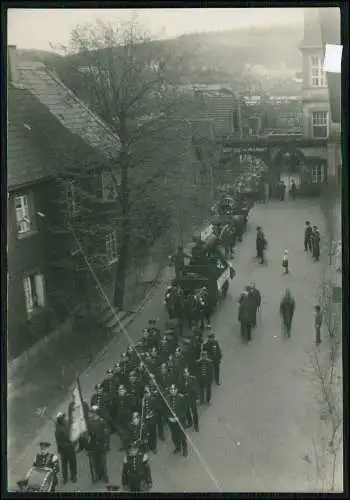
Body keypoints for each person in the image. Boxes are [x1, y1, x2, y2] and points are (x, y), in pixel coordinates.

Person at [89, 406, 111, 483]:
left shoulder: (102, 422)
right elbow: (88, 435)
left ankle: (105, 476)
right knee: (96, 462)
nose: (92, 414)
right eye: (92, 412)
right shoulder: (90, 422)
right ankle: (98, 476)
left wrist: (106, 445)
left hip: (101, 445)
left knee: (103, 462)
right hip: (94, 446)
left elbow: (107, 434)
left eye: (94, 412)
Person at [55, 412, 77, 484]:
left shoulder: (65, 425)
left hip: (68, 447)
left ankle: (72, 476)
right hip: (64, 448)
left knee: (71, 463)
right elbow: (59, 439)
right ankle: (66, 478)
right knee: (66, 464)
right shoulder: (58, 428)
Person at [166, 384, 188, 456]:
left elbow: (185, 409)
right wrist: (169, 418)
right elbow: (165, 410)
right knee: (174, 436)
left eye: (174, 390)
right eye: (171, 390)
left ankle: (185, 450)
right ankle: (178, 447)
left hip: (180, 420)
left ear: (177, 390)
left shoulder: (181, 398)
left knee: (182, 436)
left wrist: (178, 417)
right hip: (172, 421)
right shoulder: (167, 399)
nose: (172, 391)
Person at [179, 367, 199, 432]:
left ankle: (196, 425)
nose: (185, 374)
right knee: (187, 411)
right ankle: (190, 422)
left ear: (189, 372)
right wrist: (181, 394)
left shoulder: (193, 379)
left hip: (192, 398)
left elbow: (194, 389)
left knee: (194, 412)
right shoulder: (182, 381)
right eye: (184, 373)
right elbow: (181, 389)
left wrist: (187, 393)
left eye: (186, 372)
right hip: (185, 399)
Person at [142, 386, 158, 454]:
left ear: (150, 392)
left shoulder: (153, 399)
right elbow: (141, 411)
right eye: (145, 392)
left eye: (147, 392)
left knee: (153, 434)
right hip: (145, 420)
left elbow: (157, 410)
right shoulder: (143, 400)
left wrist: (152, 414)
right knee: (146, 433)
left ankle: (154, 447)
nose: (146, 394)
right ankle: (148, 446)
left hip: (152, 420)